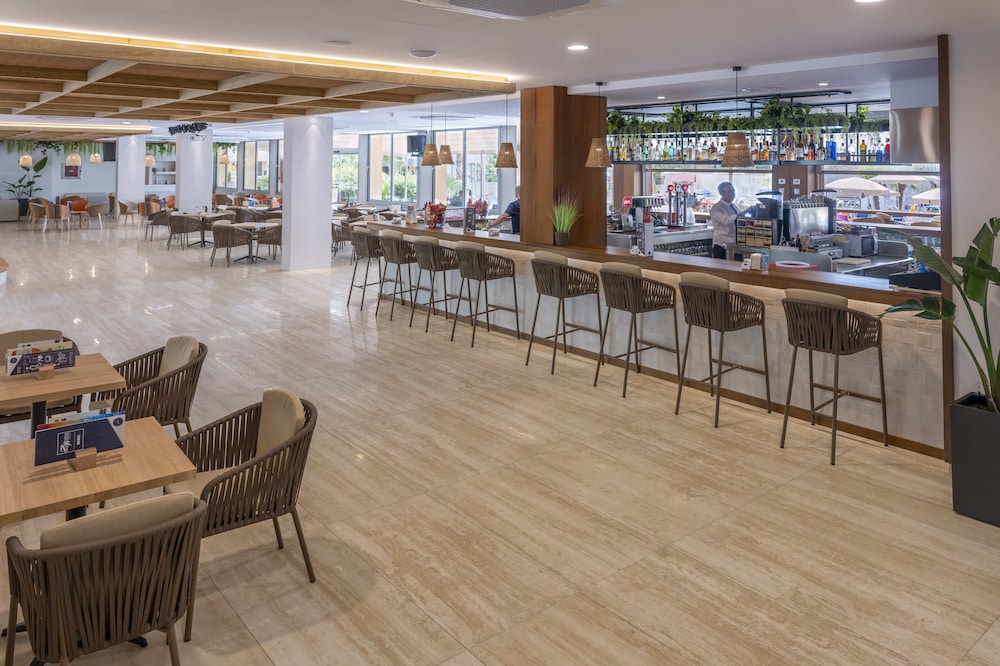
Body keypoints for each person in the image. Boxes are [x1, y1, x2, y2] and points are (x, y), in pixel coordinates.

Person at [709, 181, 744, 259]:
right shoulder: (717, 208)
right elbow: (726, 220)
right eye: (729, 191)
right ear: (721, 193)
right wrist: (738, 216)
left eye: (733, 191)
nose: (732, 194)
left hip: (736, 244)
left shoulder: (733, 206)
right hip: (722, 246)